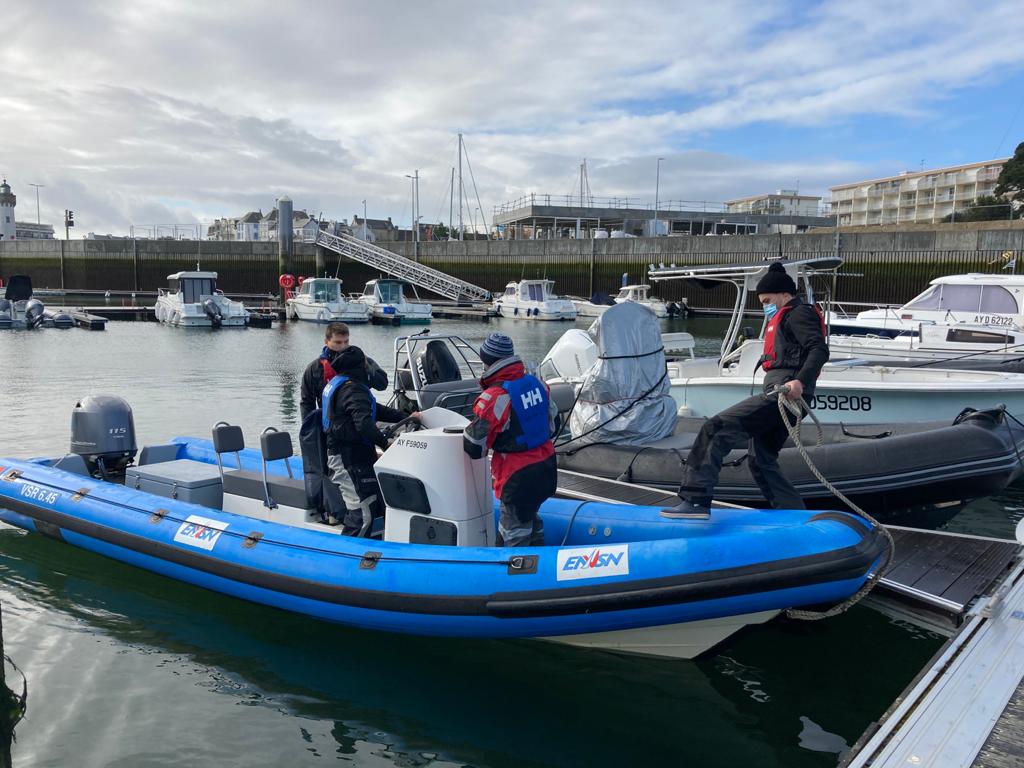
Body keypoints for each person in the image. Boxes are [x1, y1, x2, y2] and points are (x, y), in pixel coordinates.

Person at [661, 262, 829, 518]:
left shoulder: (798, 313)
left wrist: (800, 381)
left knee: (715, 429)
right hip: (782, 395)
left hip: (784, 395)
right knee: (760, 459)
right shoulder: (784, 315)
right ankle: (794, 515)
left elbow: (819, 349)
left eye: (767, 300)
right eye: (762, 302)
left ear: (784, 294)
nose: (765, 306)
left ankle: (695, 501)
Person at [463, 333, 558, 547]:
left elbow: (474, 446)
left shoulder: (495, 398)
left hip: (517, 477)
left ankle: (516, 573)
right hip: (547, 468)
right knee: (531, 518)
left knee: (512, 533)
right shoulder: (538, 384)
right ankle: (540, 566)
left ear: (487, 361)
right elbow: (553, 424)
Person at [322, 344, 413, 536]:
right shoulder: (353, 390)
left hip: (357, 455)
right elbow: (363, 424)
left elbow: (374, 409)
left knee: (375, 502)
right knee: (363, 512)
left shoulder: (347, 385)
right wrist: (385, 444)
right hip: (347, 458)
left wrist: (407, 416)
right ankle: (348, 556)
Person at [300, 322, 388, 421]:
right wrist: (307, 429)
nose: (343, 346)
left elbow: (382, 385)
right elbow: (307, 402)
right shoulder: (314, 369)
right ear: (326, 341)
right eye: (338, 342)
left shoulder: (360, 360)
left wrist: (366, 366)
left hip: (360, 418)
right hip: (331, 423)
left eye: (346, 342)